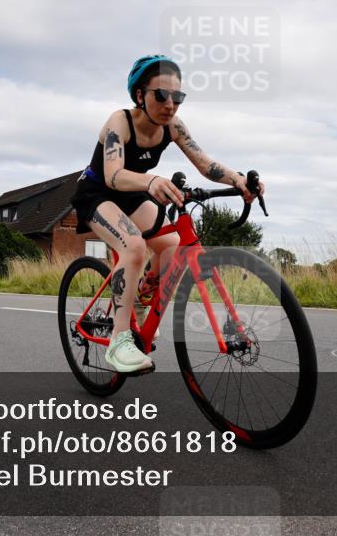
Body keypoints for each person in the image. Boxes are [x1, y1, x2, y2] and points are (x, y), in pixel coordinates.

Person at [69, 55, 265, 374]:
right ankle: (119, 341)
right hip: (97, 193)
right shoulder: (120, 122)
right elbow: (113, 175)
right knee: (132, 247)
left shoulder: (173, 127)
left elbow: (206, 164)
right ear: (139, 96)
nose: (170, 104)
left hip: (132, 194)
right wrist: (152, 180)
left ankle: (140, 303)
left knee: (172, 245)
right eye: (161, 95)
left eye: (178, 97)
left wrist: (238, 180)